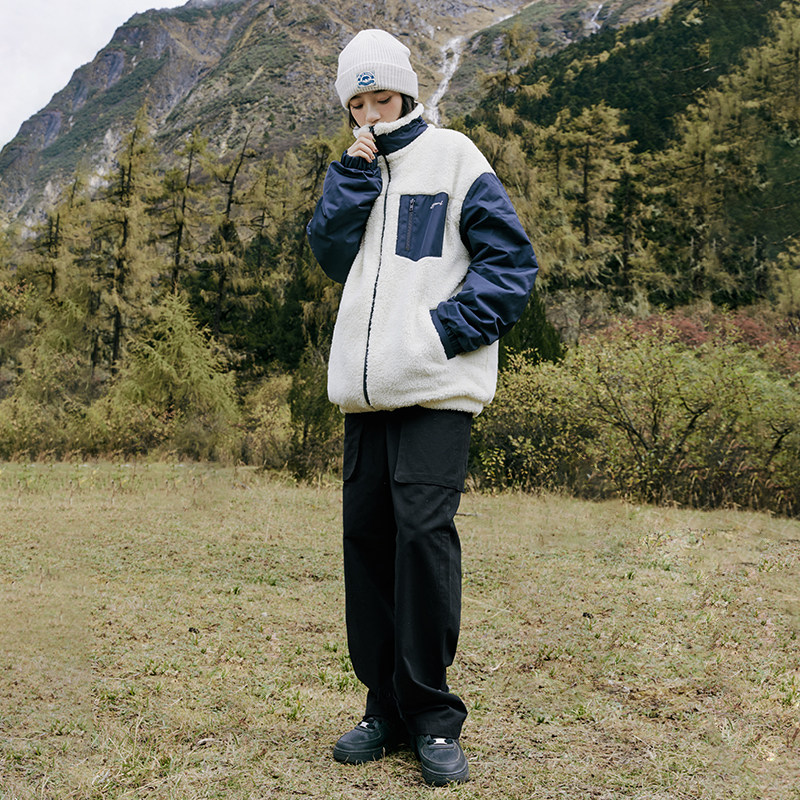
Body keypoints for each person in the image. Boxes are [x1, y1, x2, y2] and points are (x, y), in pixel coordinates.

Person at [306, 28, 538, 786]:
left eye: (383, 98)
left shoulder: (455, 157)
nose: (372, 114)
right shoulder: (355, 170)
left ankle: (433, 717)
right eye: (358, 104)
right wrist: (352, 178)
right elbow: (329, 254)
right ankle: (382, 708)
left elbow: (511, 263)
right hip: (364, 398)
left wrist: (442, 335)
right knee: (368, 543)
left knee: (423, 539)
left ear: (406, 92)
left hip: (435, 391)